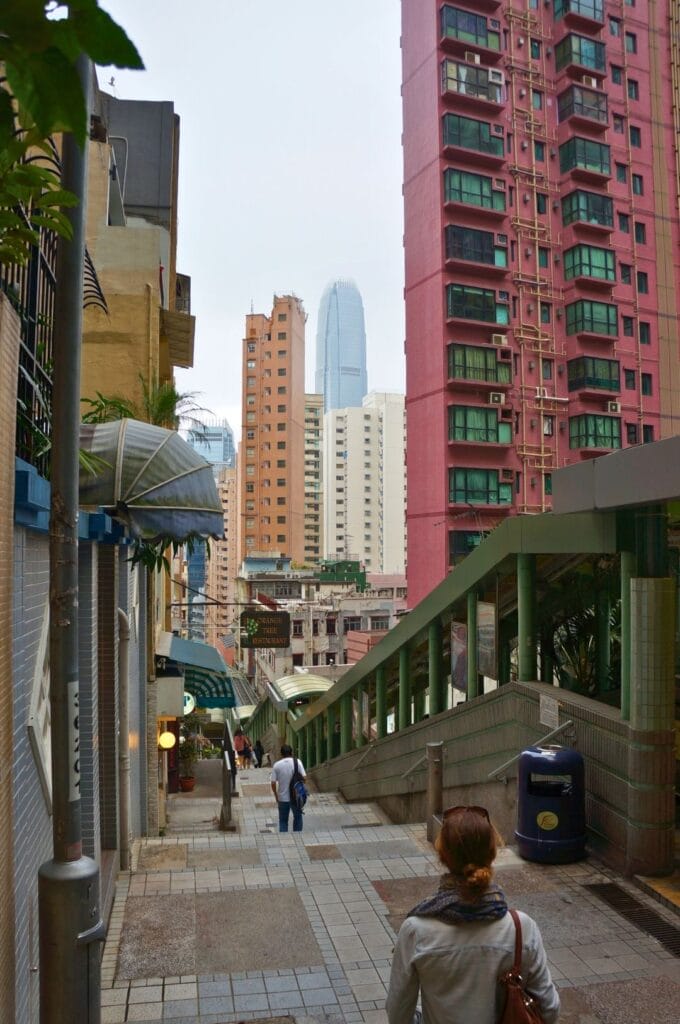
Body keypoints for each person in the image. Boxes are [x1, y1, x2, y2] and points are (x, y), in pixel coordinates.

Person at [386, 805, 559, 1024]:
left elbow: (398, 1015)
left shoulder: (415, 930)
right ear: (493, 853)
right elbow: (550, 1009)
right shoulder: (521, 928)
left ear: (442, 856)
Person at [270, 744, 306, 833]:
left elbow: (273, 783)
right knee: (297, 817)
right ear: (291, 752)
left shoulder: (277, 765)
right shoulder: (297, 762)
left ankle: (283, 840)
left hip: (282, 797)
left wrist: (276, 795)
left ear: (281, 754)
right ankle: (298, 836)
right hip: (296, 797)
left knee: (283, 821)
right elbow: (305, 778)